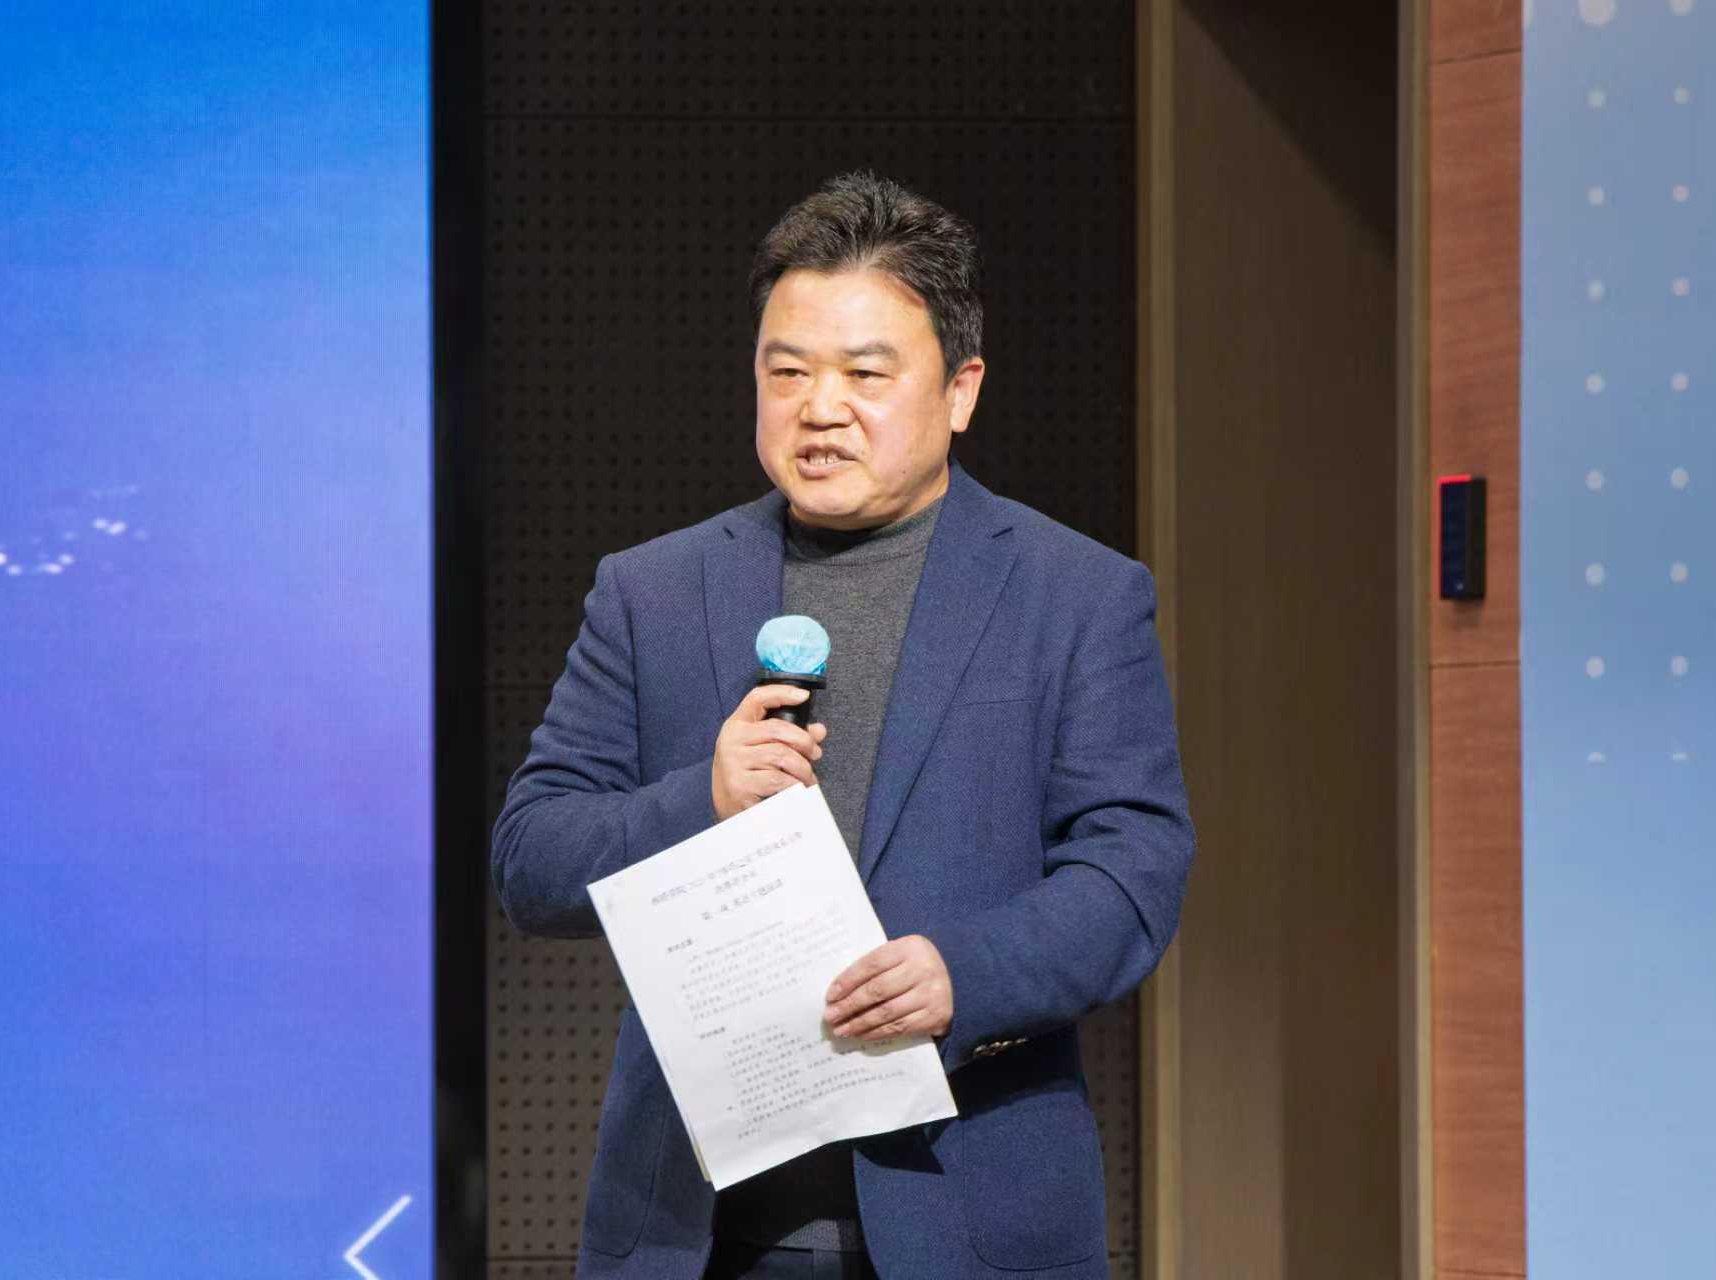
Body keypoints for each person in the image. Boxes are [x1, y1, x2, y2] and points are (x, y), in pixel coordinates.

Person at [491, 172, 1195, 1280]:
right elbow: (531, 859)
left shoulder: (1075, 596)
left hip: (972, 1218)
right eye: (788, 372)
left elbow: (1134, 869)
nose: (820, 407)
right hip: (693, 1232)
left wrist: (965, 973)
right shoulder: (652, 591)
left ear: (960, 390)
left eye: (866, 374)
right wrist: (702, 798)